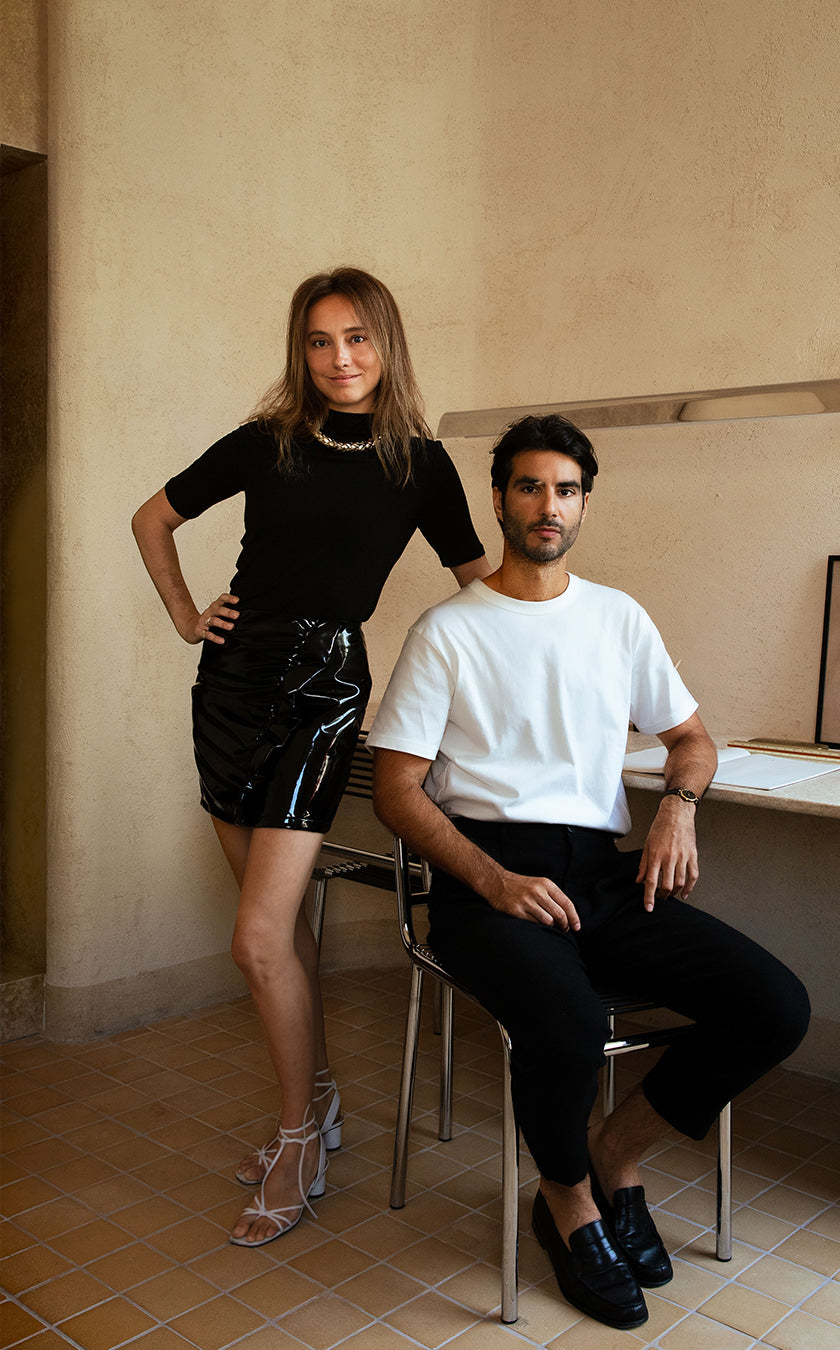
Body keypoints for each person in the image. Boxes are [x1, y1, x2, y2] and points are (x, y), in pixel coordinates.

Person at [368, 413, 811, 1329]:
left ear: (583, 505)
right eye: (530, 487)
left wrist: (677, 808)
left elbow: (692, 740)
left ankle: (615, 1153)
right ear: (500, 501)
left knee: (774, 1005)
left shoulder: (618, 618)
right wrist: (494, 881)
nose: (549, 505)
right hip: (487, 881)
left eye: (566, 490)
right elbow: (396, 792)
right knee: (568, 1023)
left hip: (600, 876)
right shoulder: (448, 630)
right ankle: (566, 1200)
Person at [131, 267, 490, 1248]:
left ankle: (298, 1136)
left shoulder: (421, 465)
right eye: (321, 341)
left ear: (387, 344)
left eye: (358, 338)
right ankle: (317, 1102)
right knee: (280, 931)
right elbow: (152, 518)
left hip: (324, 693)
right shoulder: (268, 442)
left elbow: (482, 592)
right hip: (230, 686)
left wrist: (516, 684)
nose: (340, 358)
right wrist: (186, 614)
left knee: (256, 939)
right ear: (302, 350)